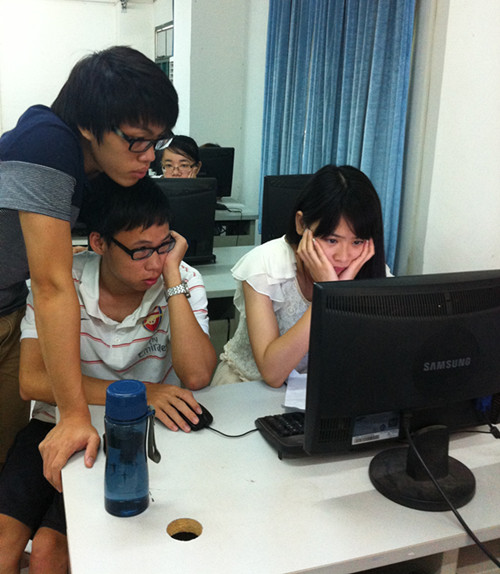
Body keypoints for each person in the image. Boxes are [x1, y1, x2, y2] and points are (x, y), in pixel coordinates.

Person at [0, 175, 216, 573]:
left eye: (164, 246)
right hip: (58, 422)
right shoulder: (63, 281)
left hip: (136, 435)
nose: (155, 262)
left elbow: (198, 374)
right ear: (99, 243)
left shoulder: (181, 280)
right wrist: (142, 392)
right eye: (141, 251)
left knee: (49, 553)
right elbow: (31, 380)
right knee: (3, 547)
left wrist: (173, 278)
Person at [0, 45, 178, 489]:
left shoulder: (95, 168)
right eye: (137, 140)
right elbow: (52, 285)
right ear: (86, 125)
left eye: (157, 141)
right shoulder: (45, 143)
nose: (150, 156)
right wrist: (75, 415)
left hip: (8, 306)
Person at [211, 164, 391, 388]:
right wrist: (328, 294)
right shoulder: (263, 266)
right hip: (247, 386)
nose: (344, 257)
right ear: (301, 223)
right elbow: (272, 373)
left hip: (318, 389)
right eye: (331, 240)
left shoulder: (367, 267)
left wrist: (345, 291)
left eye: (357, 241)